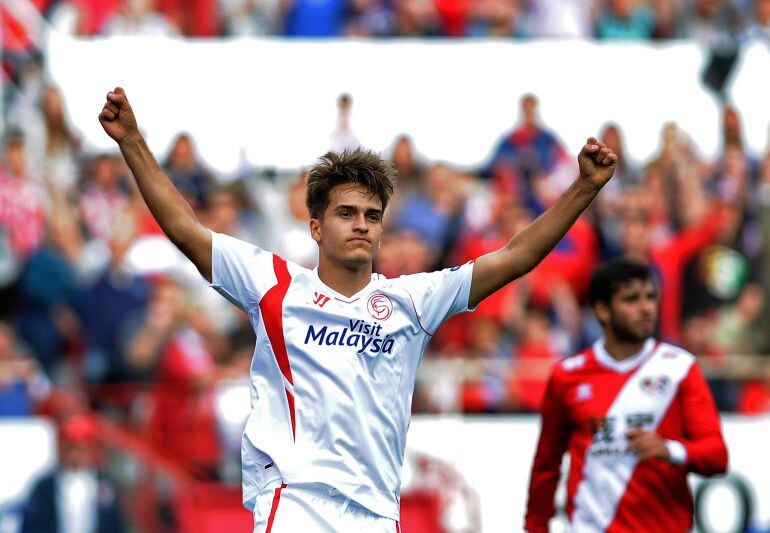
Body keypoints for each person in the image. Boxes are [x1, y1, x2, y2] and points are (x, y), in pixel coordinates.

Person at [98, 86, 617, 532]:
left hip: (375, 513)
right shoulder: (274, 284)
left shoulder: (411, 302)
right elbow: (188, 231)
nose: (362, 224)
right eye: (346, 212)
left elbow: (515, 256)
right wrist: (133, 143)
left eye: (372, 214)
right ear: (317, 227)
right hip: (294, 504)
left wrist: (584, 189)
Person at [525, 258, 728, 532]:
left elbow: (717, 456)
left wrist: (670, 450)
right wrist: (535, 526)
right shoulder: (568, 375)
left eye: (650, 297)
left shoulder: (680, 368)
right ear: (602, 310)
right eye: (631, 299)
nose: (646, 308)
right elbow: (546, 465)